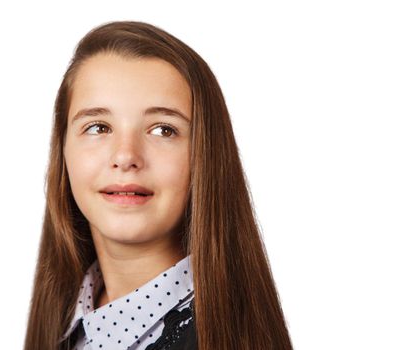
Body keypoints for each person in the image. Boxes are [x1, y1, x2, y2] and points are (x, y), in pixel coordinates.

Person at [24, 20, 293, 350]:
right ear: (62, 149)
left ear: (205, 155)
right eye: (97, 127)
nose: (125, 156)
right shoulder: (63, 326)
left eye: (163, 130)